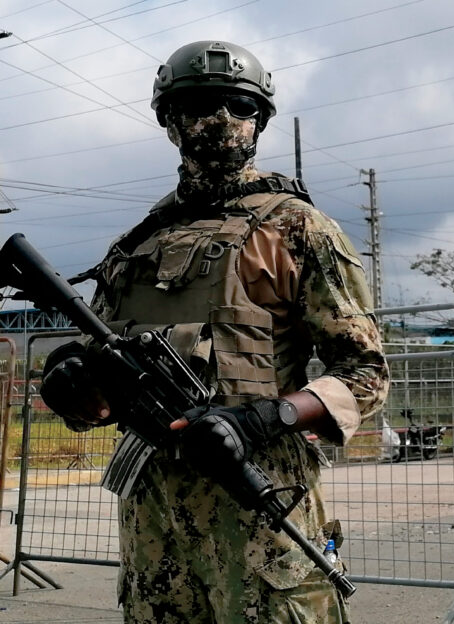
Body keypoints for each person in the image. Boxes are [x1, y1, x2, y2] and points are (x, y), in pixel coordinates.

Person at [39, 40, 389, 623]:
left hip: (257, 498)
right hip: (153, 515)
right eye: (199, 105)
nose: (221, 120)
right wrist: (76, 389)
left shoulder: (298, 229)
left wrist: (266, 417)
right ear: (170, 122)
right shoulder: (134, 247)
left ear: (261, 121)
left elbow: (366, 375)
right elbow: (103, 380)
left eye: (238, 106)